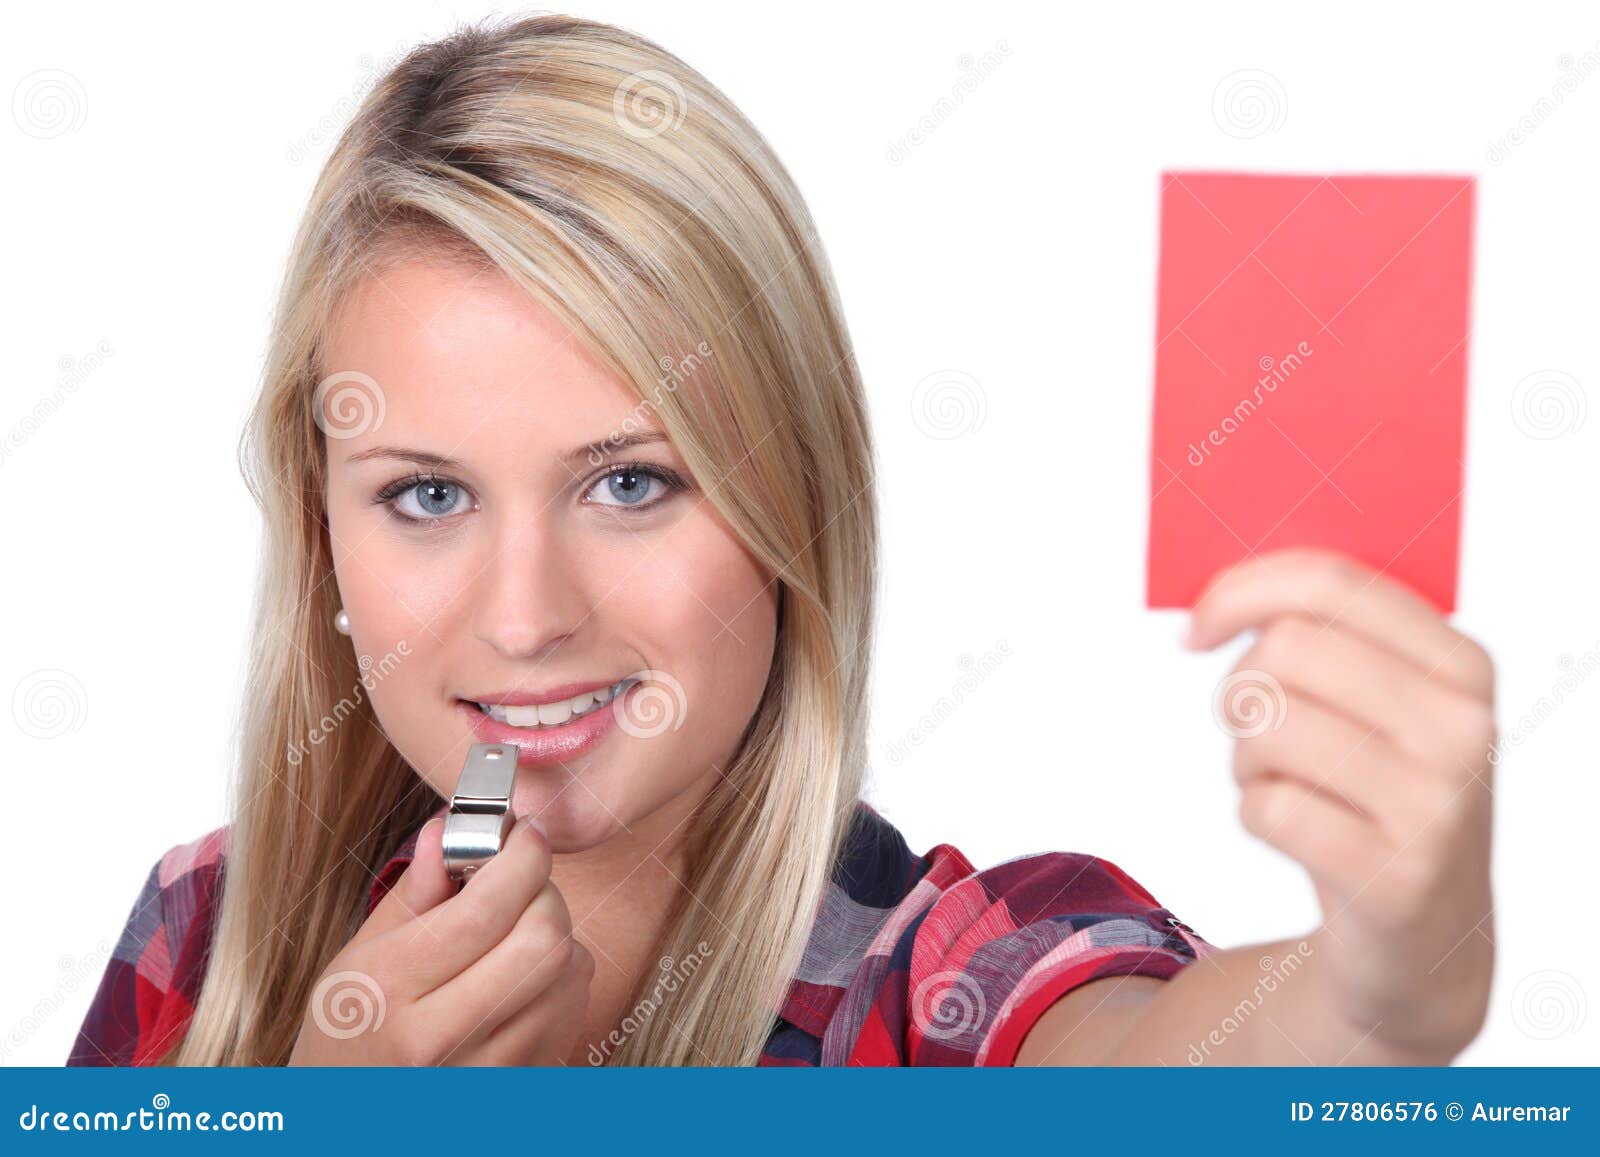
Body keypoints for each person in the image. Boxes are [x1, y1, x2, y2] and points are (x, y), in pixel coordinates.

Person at [66, 12, 1496, 1068]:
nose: (521, 619)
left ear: (791, 510)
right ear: (324, 538)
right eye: (428, 496)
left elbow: (1186, 1060)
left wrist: (1392, 980)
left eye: (630, 484)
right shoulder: (208, 936)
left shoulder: (928, 984)